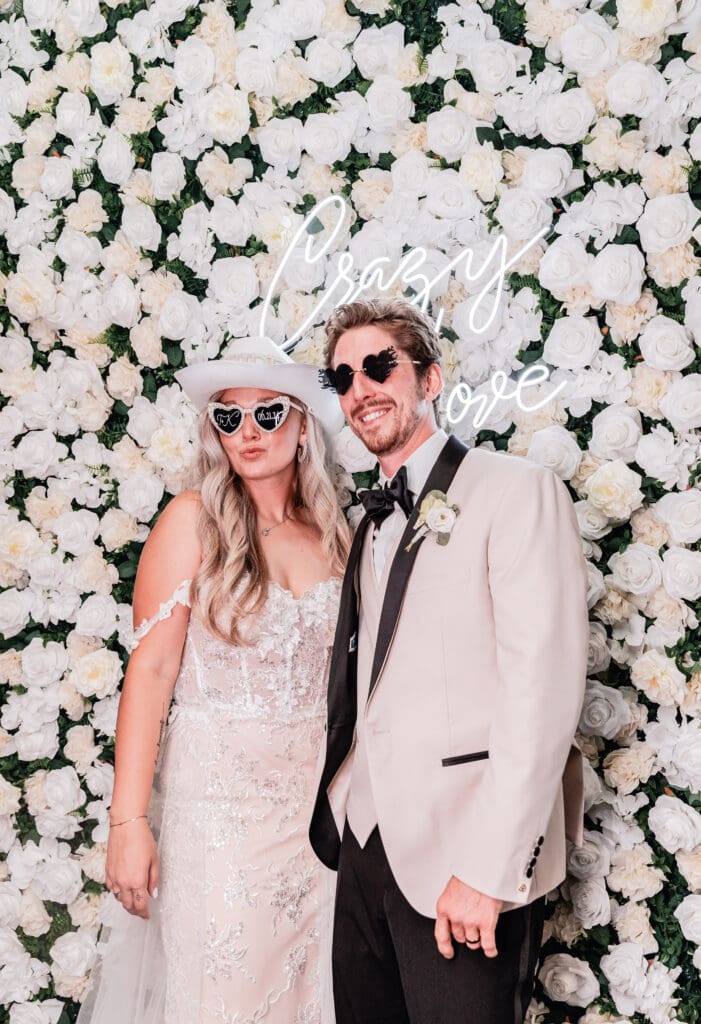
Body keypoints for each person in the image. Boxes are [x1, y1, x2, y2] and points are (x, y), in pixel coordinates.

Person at [309, 298, 589, 1024]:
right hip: (364, 850)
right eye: (343, 377)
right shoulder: (363, 520)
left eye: (379, 367)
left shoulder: (515, 491)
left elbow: (543, 693)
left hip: (461, 859)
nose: (361, 388)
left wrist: (487, 871)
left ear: (428, 381)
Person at [78, 336, 351, 1024]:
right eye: (229, 418)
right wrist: (128, 823)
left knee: (312, 1000)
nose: (249, 432)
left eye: (267, 414)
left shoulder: (336, 534)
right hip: (220, 818)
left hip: (317, 821)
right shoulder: (190, 520)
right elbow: (152, 669)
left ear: (301, 428)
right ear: (213, 431)